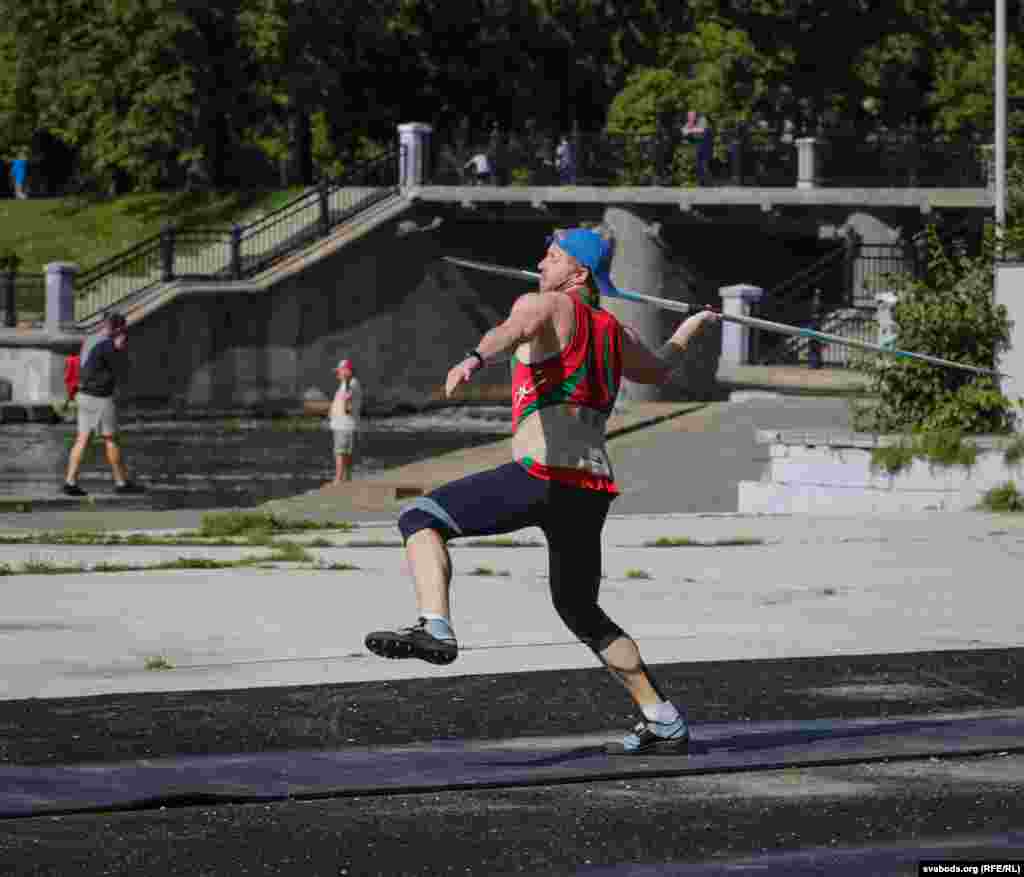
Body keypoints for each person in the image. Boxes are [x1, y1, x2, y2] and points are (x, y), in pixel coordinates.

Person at [365, 227, 720, 754]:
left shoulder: (545, 304)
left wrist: (472, 359)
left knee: (420, 517)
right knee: (581, 610)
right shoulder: (612, 330)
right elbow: (661, 368)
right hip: (591, 488)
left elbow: (512, 329)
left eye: (551, 257)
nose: (540, 262)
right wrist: (692, 326)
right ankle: (661, 716)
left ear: (577, 273)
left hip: (542, 474)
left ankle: (434, 625)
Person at [62, 312, 145, 496]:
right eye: (122, 329)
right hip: (100, 397)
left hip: (83, 395)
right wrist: (120, 349)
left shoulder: (90, 340)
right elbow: (122, 370)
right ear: (117, 328)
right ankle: (121, 483)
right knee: (111, 439)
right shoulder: (108, 346)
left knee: (82, 439)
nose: (124, 333)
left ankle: (70, 482)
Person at [329, 358, 362, 484]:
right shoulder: (349, 383)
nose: (337, 373)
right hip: (346, 425)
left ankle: (338, 480)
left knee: (340, 452)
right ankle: (346, 479)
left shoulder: (350, 383)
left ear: (346, 371)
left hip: (343, 426)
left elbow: (348, 400)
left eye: (339, 371)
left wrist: (347, 380)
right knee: (346, 453)